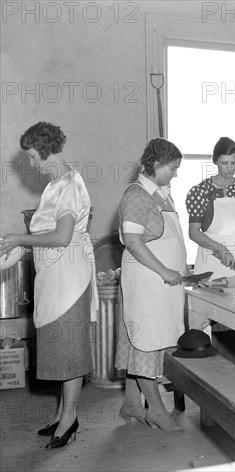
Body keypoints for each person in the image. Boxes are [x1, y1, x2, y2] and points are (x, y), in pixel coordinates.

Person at [0, 122, 98, 449]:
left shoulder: (70, 184)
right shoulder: (54, 186)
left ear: (45, 149)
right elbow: (46, 238)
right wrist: (19, 246)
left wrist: (18, 238)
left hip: (69, 278)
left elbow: (62, 236)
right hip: (54, 275)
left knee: (68, 350)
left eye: (32, 156)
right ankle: (61, 413)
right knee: (58, 347)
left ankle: (70, 420)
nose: (31, 163)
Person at [115, 138, 187, 432]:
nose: (176, 174)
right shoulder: (136, 195)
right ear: (156, 165)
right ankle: (156, 410)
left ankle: (132, 404)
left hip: (163, 286)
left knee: (149, 344)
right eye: (173, 168)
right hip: (148, 282)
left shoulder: (161, 194)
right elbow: (132, 242)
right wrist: (164, 270)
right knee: (145, 344)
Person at [186, 137, 235, 277]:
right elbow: (194, 232)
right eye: (225, 163)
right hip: (210, 260)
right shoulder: (200, 192)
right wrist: (220, 249)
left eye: (234, 163)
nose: (230, 168)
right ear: (215, 161)